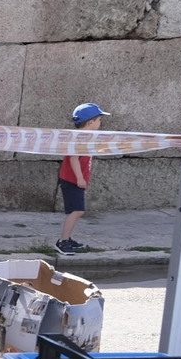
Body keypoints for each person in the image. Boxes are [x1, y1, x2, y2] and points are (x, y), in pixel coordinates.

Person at [56, 102, 110, 255]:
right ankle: (63, 242)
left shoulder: (84, 137)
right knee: (77, 211)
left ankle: (67, 238)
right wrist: (80, 178)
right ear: (91, 122)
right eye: (99, 120)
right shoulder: (80, 139)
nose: (100, 123)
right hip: (72, 180)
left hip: (74, 180)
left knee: (76, 211)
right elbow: (74, 158)